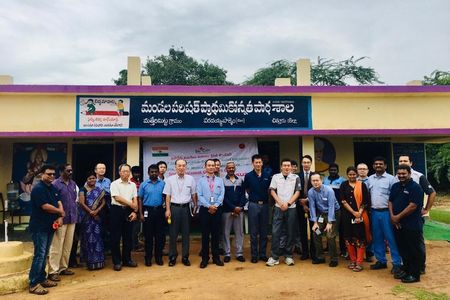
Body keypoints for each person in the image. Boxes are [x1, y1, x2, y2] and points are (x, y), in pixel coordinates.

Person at [28, 165, 64, 295]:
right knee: (39, 255)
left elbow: (58, 201)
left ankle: (42, 278)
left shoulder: (52, 188)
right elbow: (45, 206)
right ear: (41, 174)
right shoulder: (38, 189)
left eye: (53, 174)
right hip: (39, 227)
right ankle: (33, 283)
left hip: (50, 226)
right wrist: (60, 211)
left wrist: (60, 216)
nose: (52, 176)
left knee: (44, 254)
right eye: (49, 174)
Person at [397, 154, 435, 273]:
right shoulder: (397, 176)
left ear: (411, 163)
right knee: (405, 242)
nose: (403, 162)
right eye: (400, 161)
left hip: (414, 217)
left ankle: (420, 267)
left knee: (417, 243)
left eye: (405, 160)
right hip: (401, 217)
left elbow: (432, 193)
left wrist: (426, 209)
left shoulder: (419, 176)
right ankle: (408, 266)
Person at [366, 156, 402, 277]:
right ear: (373, 166)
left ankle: (397, 263)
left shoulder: (392, 179)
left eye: (381, 164)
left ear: (385, 166)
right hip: (374, 212)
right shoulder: (369, 179)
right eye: (376, 164)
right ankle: (381, 260)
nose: (378, 166)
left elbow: (396, 197)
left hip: (387, 213)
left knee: (391, 238)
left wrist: (394, 214)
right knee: (377, 238)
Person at [389, 164, 424, 283]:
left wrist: (397, 217)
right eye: (399, 173)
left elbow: (412, 206)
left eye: (403, 173)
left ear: (409, 173)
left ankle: (415, 274)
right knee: (403, 248)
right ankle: (407, 270)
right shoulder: (395, 186)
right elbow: (390, 201)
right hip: (398, 224)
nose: (401, 176)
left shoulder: (416, 187)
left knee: (413, 249)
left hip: (412, 224)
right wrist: (393, 217)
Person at [266, 159, 301, 267]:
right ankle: (274, 257)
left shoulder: (296, 177)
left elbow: (298, 192)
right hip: (278, 208)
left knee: (290, 232)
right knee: (276, 232)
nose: (286, 167)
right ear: (281, 167)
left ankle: (288, 256)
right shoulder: (276, 177)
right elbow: (272, 191)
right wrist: (281, 203)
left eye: (288, 165)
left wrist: (289, 203)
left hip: (291, 208)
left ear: (291, 167)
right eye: (284, 165)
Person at [163, 159, 198, 267]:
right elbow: (167, 196)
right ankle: (172, 256)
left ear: (186, 167)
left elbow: (193, 194)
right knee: (173, 234)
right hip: (174, 208)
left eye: (183, 165)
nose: (181, 167)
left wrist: (195, 206)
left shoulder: (191, 179)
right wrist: (168, 210)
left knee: (186, 233)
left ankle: (185, 257)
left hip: (186, 208)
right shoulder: (169, 180)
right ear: (175, 167)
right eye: (179, 165)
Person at [48, 164, 78, 282]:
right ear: (61, 172)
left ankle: (63, 267)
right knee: (57, 245)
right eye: (68, 171)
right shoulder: (55, 184)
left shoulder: (73, 184)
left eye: (71, 170)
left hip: (72, 218)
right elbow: (53, 201)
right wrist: (58, 216)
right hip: (60, 219)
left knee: (67, 245)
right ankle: (53, 271)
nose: (70, 172)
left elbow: (74, 200)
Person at [339, 167, 371, 272]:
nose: (352, 176)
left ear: (356, 175)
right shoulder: (343, 185)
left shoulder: (362, 185)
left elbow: (365, 201)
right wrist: (353, 212)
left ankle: (359, 262)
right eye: (350, 174)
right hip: (347, 215)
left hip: (360, 215)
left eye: (354, 174)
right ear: (347, 175)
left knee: (360, 237)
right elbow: (343, 201)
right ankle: (352, 260)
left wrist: (359, 213)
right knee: (348, 238)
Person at [109, 164, 139, 271]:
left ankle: (127, 259)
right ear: (119, 172)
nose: (126, 173)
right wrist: (131, 205)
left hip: (128, 212)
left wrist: (135, 211)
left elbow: (135, 198)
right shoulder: (114, 184)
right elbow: (117, 198)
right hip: (116, 211)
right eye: (124, 171)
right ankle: (117, 262)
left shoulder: (133, 185)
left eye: (128, 171)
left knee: (128, 237)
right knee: (115, 238)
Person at [243, 154, 271, 263]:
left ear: (262, 163)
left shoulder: (267, 175)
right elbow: (245, 189)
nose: (258, 164)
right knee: (253, 232)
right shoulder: (248, 176)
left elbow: (270, 190)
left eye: (260, 162)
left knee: (264, 231)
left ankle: (263, 254)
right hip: (253, 205)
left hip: (265, 205)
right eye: (256, 162)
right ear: (253, 163)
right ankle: (254, 255)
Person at [308, 173, 341, 267]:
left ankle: (334, 258)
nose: (315, 182)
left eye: (317, 180)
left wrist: (330, 222)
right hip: (321, 215)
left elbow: (331, 206)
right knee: (316, 232)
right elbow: (312, 207)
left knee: (330, 235)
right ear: (311, 182)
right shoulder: (311, 192)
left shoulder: (329, 190)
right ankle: (320, 257)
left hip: (334, 213)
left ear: (321, 181)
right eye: (313, 181)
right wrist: (314, 222)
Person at [197, 159, 225, 268]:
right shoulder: (201, 180)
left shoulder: (219, 180)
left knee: (216, 235)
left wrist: (216, 205)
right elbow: (199, 195)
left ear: (215, 167)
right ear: (205, 167)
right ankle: (205, 259)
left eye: (213, 165)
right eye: (209, 165)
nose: (211, 167)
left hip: (217, 210)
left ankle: (216, 258)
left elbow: (222, 194)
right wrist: (209, 206)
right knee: (205, 235)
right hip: (205, 210)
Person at [138, 164, 165, 266]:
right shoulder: (143, 184)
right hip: (147, 211)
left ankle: (158, 257)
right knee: (148, 236)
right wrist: (140, 213)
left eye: (155, 172)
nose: (154, 173)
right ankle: (148, 258)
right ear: (148, 173)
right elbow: (140, 199)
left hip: (159, 211)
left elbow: (166, 197)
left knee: (160, 236)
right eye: (152, 172)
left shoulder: (163, 184)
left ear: (158, 172)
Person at [78, 171, 106, 270]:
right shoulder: (82, 190)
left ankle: (99, 261)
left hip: (97, 218)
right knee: (88, 239)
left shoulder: (99, 190)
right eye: (90, 178)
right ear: (87, 180)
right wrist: (91, 212)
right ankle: (89, 262)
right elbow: (81, 203)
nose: (92, 180)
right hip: (87, 218)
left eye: (93, 178)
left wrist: (97, 211)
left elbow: (103, 202)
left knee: (98, 238)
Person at [222, 161, 246, 263]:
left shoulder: (240, 180)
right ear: (226, 169)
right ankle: (227, 253)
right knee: (225, 232)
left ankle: (239, 253)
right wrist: (233, 208)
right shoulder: (222, 181)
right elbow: (223, 197)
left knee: (239, 232)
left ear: (235, 168)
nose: (231, 169)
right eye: (229, 168)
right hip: (227, 211)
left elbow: (243, 195)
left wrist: (239, 207)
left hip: (239, 211)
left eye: (232, 167)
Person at [323, 163, 347, 258]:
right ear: (328, 170)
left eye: (334, 170)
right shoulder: (325, 180)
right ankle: (329, 247)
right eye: (331, 170)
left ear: (338, 170)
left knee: (341, 230)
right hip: (327, 209)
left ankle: (343, 249)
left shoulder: (342, 181)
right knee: (328, 229)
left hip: (339, 209)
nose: (333, 171)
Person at [296, 155, 316, 261]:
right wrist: (303, 204)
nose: (306, 164)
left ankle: (313, 252)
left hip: (313, 207)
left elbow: (317, 190)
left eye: (308, 162)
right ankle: (304, 252)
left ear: (311, 163)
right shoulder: (296, 176)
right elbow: (295, 191)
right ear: (302, 163)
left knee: (314, 229)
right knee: (302, 230)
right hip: (300, 206)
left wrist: (307, 200)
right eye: (304, 162)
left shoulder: (315, 175)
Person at [356, 162, 373, 261]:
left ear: (367, 170)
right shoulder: (354, 181)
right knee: (358, 231)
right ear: (357, 171)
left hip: (370, 209)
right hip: (357, 211)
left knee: (369, 231)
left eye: (364, 169)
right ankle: (359, 253)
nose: (362, 170)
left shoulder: (372, 180)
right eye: (360, 169)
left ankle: (369, 253)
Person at [95, 163, 112, 254]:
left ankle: (106, 249)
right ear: (96, 170)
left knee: (107, 229)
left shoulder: (108, 181)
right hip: (95, 208)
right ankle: (98, 249)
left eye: (104, 168)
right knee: (97, 228)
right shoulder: (91, 180)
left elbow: (110, 193)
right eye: (100, 168)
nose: (102, 170)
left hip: (107, 207)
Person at [130, 166, 143, 252]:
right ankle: (134, 246)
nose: (137, 174)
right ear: (132, 173)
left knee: (137, 228)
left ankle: (135, 244)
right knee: (133, 228)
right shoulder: (130, 182)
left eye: (138, 173)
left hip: (139, 207)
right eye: (135, 173)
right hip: (132, 208)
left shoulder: (139, 182)